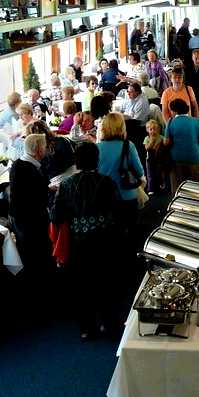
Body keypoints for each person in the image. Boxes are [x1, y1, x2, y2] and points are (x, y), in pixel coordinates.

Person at [50, 141, 125, 341]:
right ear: (96, 160)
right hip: (107, 241)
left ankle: (86, 328)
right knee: (110, 284)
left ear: (76, 161)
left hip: (79, 244)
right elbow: (120, 213)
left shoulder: (66, 185)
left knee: (84, 287)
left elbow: (55, 216)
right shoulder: (107, 182)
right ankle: (108, 325)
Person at [96, 112, 145, 250]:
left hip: (105, 197)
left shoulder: (98, 148)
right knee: (128, 233)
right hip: (127, 195)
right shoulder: (128, 146)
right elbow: (140, 172)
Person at [8, 133, 53, 277]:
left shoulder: (19, 163)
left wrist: (45, 188)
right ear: (40, 151)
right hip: (28, 219)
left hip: (18, 215)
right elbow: (36, 198)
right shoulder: (30, 169)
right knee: (35, 252)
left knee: (26, 250)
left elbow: (28, 190)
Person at [164, 97, 199, 196]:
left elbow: (166, 142)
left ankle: (177, 204)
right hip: (193, 156)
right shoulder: (194, 121)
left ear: (175, 111)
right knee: (198, 181)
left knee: (177, 183)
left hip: (177, 158)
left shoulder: (170, 123)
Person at [143, 118, 168, 194]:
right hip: (150, 158)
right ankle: (151, 188)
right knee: (150, 174)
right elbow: (147, 148)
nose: (153, 131)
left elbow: (165, 143)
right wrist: (152, 141)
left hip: (159, 158)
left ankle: (161, 181)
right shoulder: (147, 139)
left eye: (155, 129)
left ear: (158, 129)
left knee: (159, 172)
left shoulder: (160, 137)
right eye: (151, 129)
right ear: (147, 130)